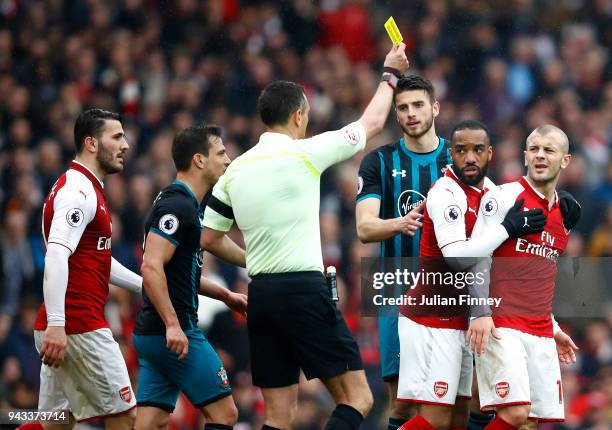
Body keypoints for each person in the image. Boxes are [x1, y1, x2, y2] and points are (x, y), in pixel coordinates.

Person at [202, 43, 409, 430]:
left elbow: (210, 238)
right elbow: (373, 124)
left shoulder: (234, 170)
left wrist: (256, 259)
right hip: (303, 291)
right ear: (298, 116)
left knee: (279, 417)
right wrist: (390, 75)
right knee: (359, 398)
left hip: (260, 294)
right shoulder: (305, 153)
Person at [396, 120, 547, 430]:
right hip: (430, 318)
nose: (469, 158)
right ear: (451, 153)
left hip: (462, 321)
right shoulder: (445, 194)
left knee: (459, 417)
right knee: (434, 420)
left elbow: (528, 203)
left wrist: (561, 203)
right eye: (461, 150)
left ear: (489, 153)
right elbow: (456, 258)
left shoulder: (491, 192)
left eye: (477, 150)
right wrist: (508, 227)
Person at [32, 109, 143, 429]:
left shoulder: (85, 187)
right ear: (91, 143)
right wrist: (57, 324)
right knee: (124, 414)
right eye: (117, 137)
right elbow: (55, 255)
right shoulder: (78, 192)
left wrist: (144, 286)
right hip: (77, 324)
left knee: (54, 423)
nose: (126, 145)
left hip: (64, 325)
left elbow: (98, 260)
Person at [466, 125, 581, 429]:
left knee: (529, 423)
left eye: (549, 150)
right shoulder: (503, 198)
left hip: (540, 329)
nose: (540, 155)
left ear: (565, 160)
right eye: (534, 149)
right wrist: (480, 311)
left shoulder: (564, 215)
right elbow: (477, 256)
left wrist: (553, 327)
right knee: (515, 412)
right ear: (525, 156)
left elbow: (539, 275)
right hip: (502, 323)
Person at [133, 125, 247, 430]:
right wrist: (173, 325)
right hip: (174, 331)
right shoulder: (177, 205)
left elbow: (179, 274)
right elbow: (151, 267)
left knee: (149, 423)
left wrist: (226, 295)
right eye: (221, 153)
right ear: (199, 160)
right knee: (226, 414)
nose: (227, 160)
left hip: (153, 334)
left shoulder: (187, 205)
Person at [355, 74, 450, 430]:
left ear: (434, 108)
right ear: (396, 114)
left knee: (458, 397)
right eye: (403, 108)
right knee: (404, 403)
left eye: (418, 105)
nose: (411, 114)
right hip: (397, 285)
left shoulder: (460, 158)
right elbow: (365, 228)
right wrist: (401, 222)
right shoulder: (378, 161)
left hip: (452, 286)